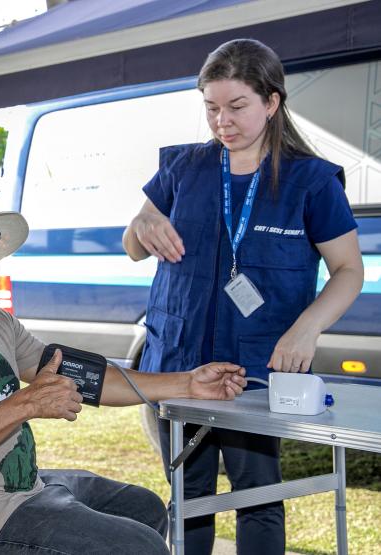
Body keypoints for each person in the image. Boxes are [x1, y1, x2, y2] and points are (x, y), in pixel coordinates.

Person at [0, 178, 249, 555]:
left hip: (12, 490)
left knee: (143, 508)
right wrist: (26, 404)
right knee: (139, 547)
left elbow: (84, 377)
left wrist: (187, 383)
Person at [123, 39, 364, 554]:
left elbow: (348, 271)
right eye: (211, 107)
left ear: (272, 102)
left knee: (259, 495)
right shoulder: (182, 169)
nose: (221, 121)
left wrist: (307, 327)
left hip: (253, 372)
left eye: (236, 107)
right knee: (187, 494)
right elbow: (132, 247)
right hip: (181, 366)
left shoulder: (311, 181)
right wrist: (142, 222)